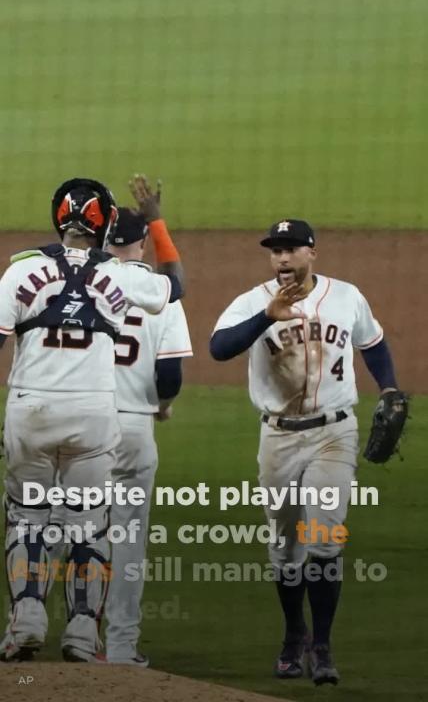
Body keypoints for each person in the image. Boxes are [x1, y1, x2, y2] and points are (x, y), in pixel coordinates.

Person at [0, 177, 184, 663]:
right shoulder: (123, 274)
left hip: (30, 410)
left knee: (28, 519)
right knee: (89, 525)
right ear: (104, 224)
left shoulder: (21, 271)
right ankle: (82, 634)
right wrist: (156, 220)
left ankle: (27, 621)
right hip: (94, 415)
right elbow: (175, 285)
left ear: (58, 219)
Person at [210, 219, 400, 686]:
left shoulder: (346, 296)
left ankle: (323, 646)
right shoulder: (252, 302)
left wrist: (389, 386)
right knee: (285, 548)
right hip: (277, 438)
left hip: (334, 434)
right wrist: (266, 317)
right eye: (275, 251)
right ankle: (294, 633)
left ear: (312, 252)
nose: (282, 259)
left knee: (323, 539)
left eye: (291, 249)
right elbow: (218, 348)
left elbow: (372, 344)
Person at [104, 175, 192, 665]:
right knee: (128, 543)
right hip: (135, 428)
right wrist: (162, 403)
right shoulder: (161, 292)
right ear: (140, 242)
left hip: (80, 424)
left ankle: (70, 634)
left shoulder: (78, 283)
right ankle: (120, 647)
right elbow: (170, 375)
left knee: (69, 532)